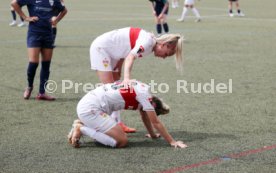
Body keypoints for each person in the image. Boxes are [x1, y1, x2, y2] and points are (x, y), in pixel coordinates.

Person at [89, 27, 184, 132]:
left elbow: (125, 48)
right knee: (108, 88)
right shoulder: (147, 43)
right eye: (166, 54)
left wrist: (119, 69)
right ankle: (97, 121)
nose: (164, 57)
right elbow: (130, 57)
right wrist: (126, 79)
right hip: (102, 49)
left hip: (112, 52)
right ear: (164, 44)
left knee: (114, 83)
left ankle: (116, 122)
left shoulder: (150, 43)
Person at [68, 80, 188, 149]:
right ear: (152, 106)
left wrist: (152, 135)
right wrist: (172, 142)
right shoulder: (145, 97)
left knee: (114, 135)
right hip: (91, 109)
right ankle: (82, 128)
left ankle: (81, 124)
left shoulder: (143, 88)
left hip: (89, 103)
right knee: (121, 142)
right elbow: (155, 121)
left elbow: (144, 117)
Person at [11, 0, 67, 101]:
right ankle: (29, 86)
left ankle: (42, 93)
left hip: (48, 34)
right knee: (33, 63)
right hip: (34, 34)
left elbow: (64, 10)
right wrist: (25, 17)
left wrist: (56, 20)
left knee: (46, 64)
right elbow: (14, 3)